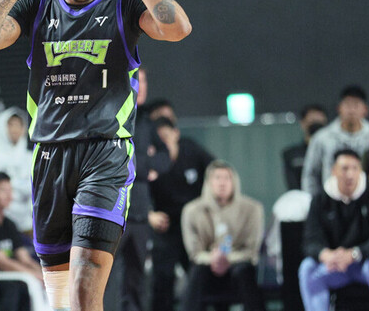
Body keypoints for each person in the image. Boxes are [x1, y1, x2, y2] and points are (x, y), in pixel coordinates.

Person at [0, 0, 191, 311]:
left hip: (105, 154)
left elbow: (178, 28)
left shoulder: (123, 8)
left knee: (85, 287)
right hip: (50, 157)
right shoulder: (37, 8)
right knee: (61, 300)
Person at [104, 66, 171, 311]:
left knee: (137, 278)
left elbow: (165, 157)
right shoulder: (110, 116)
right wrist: (145, 165)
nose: (141, 87)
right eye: (135, 80)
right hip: (114, 211)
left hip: (141, 214)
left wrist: (141, 163)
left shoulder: (146, 121)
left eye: (144, 81)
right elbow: (116, 159)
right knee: (106, 277)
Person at [299, 149, 369, 311]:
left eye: (355, 168)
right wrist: (325, 254)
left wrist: (354, 254)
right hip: (333, 264)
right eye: (344, 168)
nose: (350, 174)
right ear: (333, 171)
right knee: (307, 268)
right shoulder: (320, 199)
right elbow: (310, 239)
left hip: (364, 261)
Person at [180, 160, 266, 311]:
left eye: (227, 178)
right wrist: (213, 259)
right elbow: (195, 253)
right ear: (208, 183)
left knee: (245, 272)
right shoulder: (191, 211)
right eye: (217, 178)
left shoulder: (253, 209)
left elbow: (251, 251)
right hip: (207, 267)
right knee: (197, 273)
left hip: (239, 265)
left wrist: (227, 258)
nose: (222, 183)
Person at [149, 116, 215, 311]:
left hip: (194, 225)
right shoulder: (151, 161)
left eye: (166, 137)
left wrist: (206, 207)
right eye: (158, 139)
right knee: (163, 278)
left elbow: (215, 171)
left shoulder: (191, 149)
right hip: (166, 226)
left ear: (176, 134)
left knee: (199, 274)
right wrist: (149, 215)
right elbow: (136, 190)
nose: (163, 143)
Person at [0, 172, 51, 311]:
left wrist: (44, 274)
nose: (9, 196)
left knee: (45, 283)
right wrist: (32, 274)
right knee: (20, 286)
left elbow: (24, 258)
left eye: (10, 191)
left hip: (14, 273)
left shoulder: (9, 224)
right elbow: (0, 261)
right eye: (3, 190)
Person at [302, 85, 369, 195]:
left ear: (365, 109)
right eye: (347, 105)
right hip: (330, 200)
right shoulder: (322, 138)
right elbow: (310, 174)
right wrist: (313, 201)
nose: (351, 110)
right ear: (339, 108)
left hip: (367, 199)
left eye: (356, 105)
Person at [0, 107, 34, 234]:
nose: (15, 129)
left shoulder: (29, 157)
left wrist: (15, 184)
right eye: (11, 125)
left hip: (28, 221)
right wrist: (21, 185)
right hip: (0, 219)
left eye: (18, 125)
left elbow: (35, 187)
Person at [281, 105, 328, 190]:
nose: (315, 126)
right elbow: (292, 186)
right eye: (312, 121)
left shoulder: (332, 152)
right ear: (303, 123)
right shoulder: (291, 154)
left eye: (319, 122)